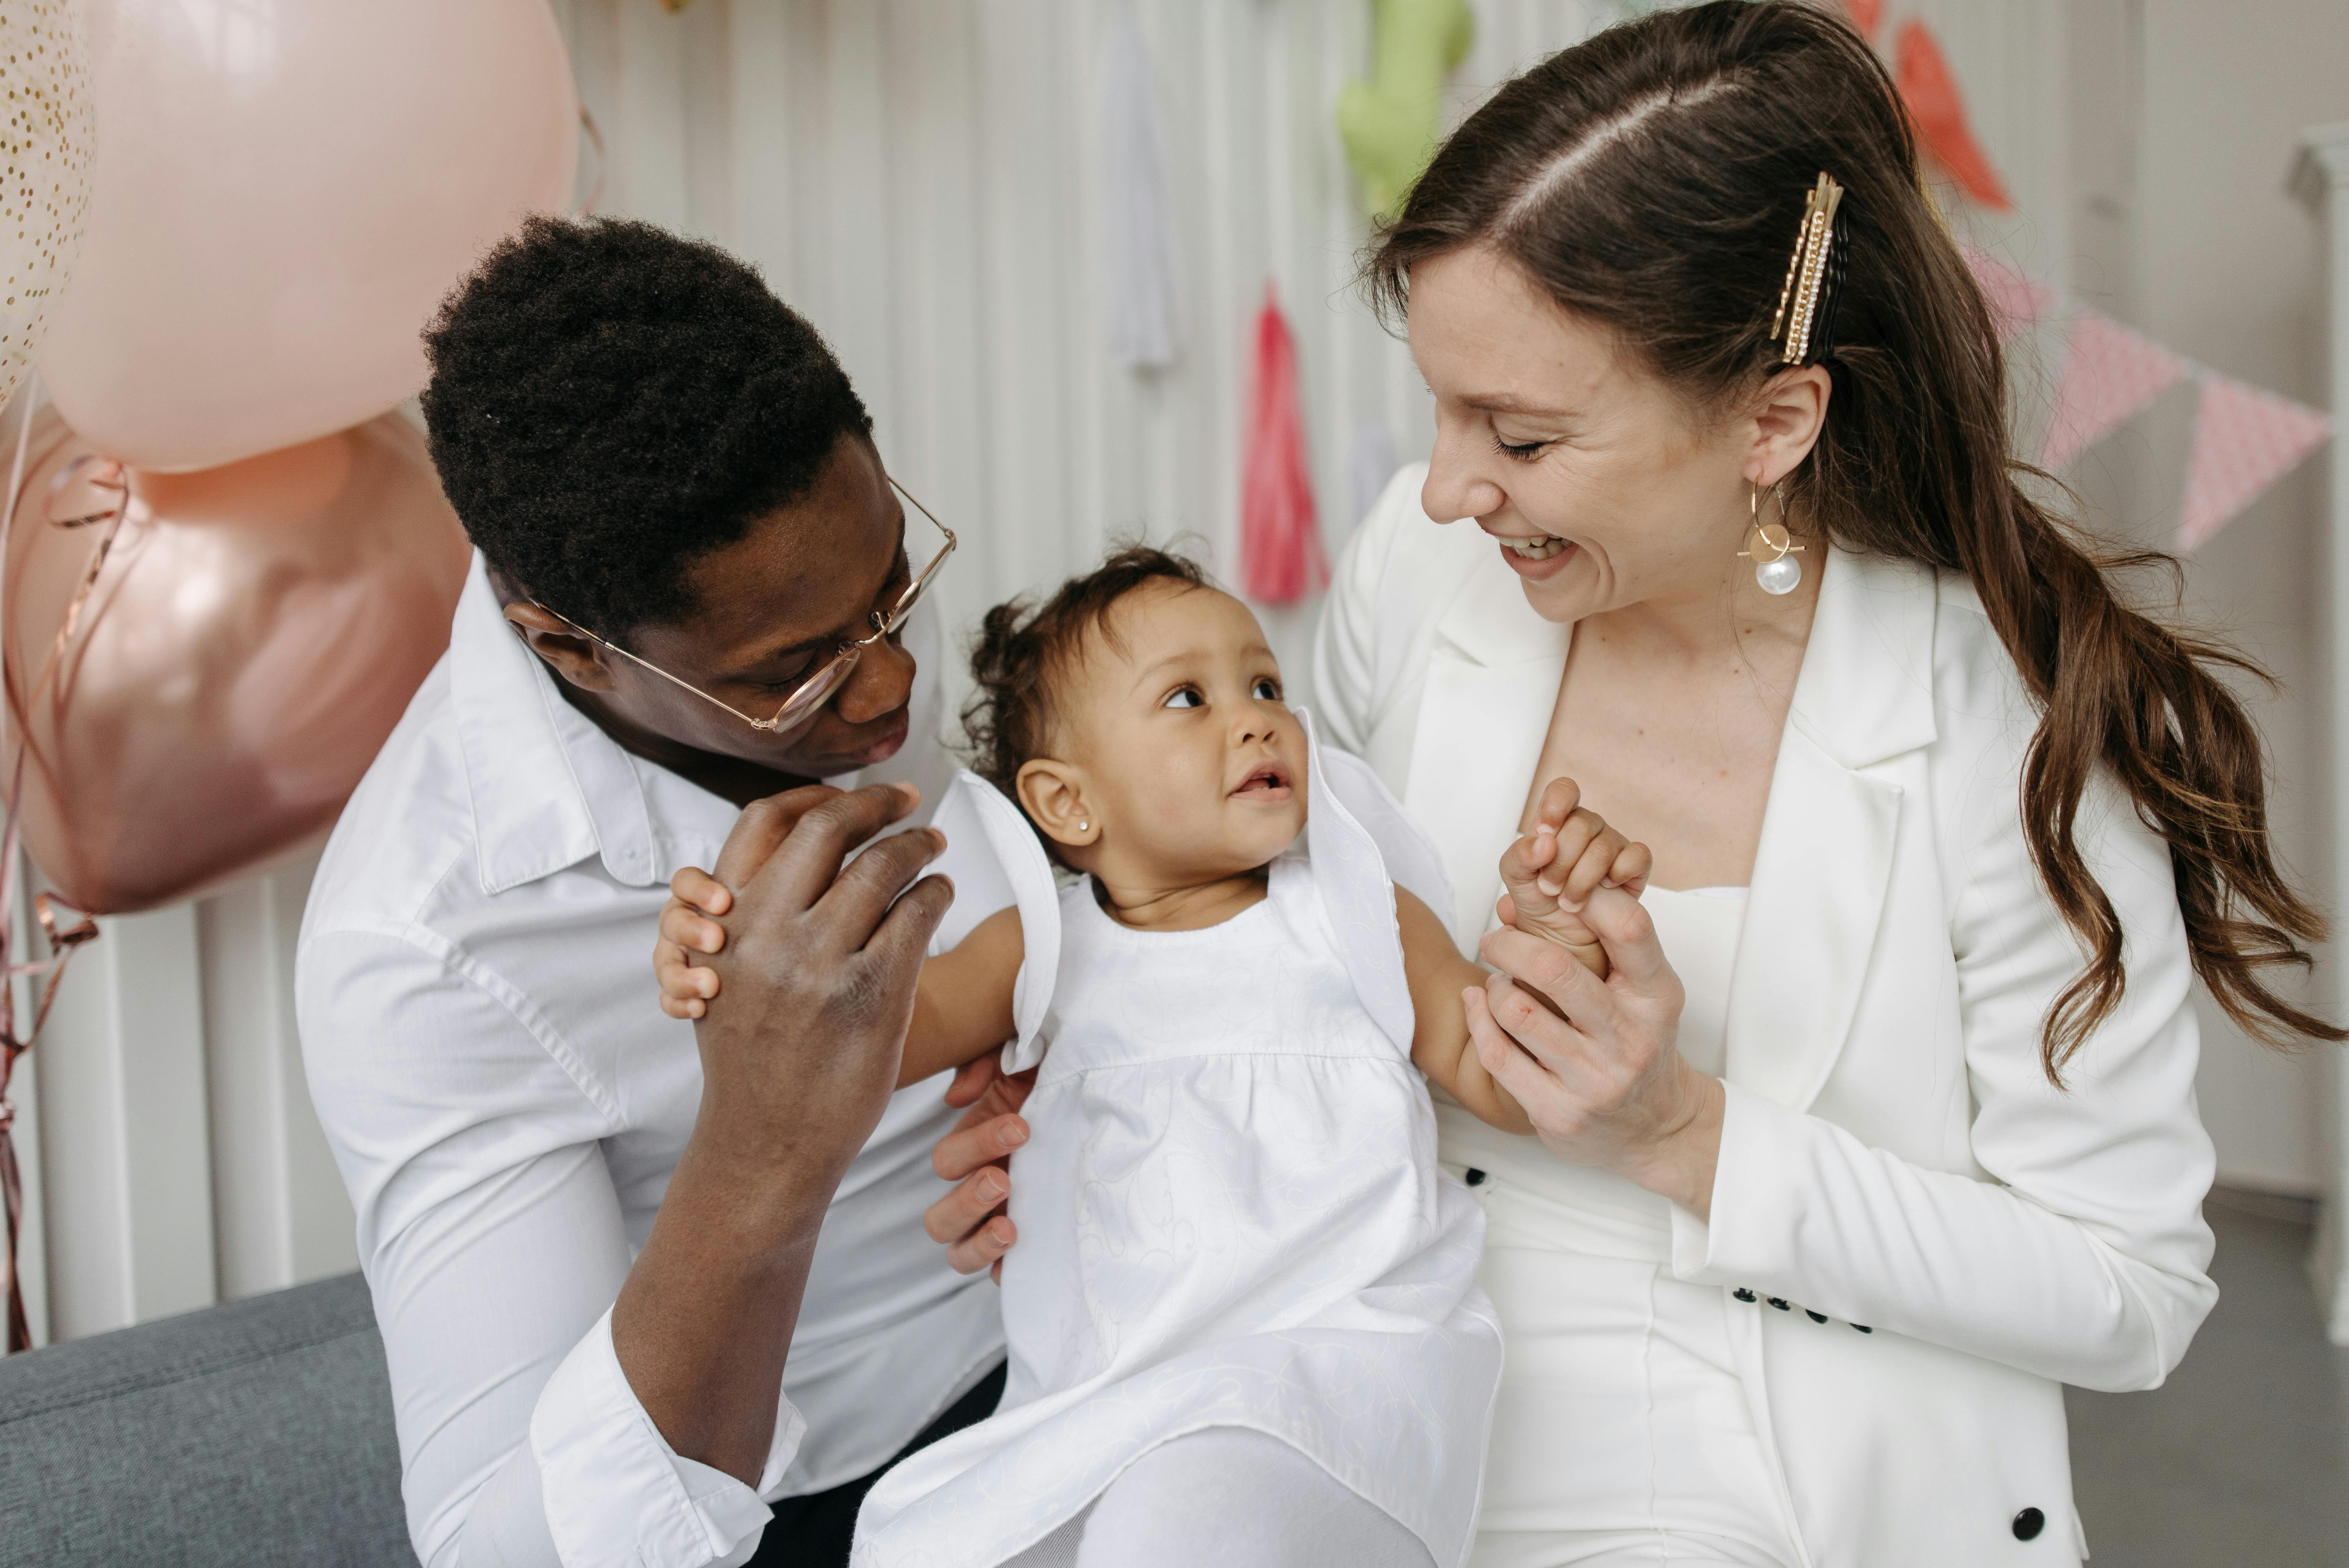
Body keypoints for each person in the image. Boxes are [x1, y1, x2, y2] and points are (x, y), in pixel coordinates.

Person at [924, 5, 2340, 1565]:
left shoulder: (2005, 735)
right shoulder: (1429, 565)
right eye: (1444, 407)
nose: (1451, 484)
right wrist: (1122, 1104)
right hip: (1361, 1392)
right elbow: (1288, 917)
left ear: (1770, 419)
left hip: (1781, 1483)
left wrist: (1680, 1132)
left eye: (1521, 434)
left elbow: (2129, 1289)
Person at [653, 547, 1650, 1568]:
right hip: (1101, 1400)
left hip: (1332, 1374)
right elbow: (859, 1040)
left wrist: (1564, 938)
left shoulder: (1353, 912)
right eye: (1188, 697)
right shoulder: (1040, 947)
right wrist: (744, 962)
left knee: (1178, 1523)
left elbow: (1500, 1077)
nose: (1256, 717)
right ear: (1069, 804)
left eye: (1266, 685)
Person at [296, 215, 1007, 1568]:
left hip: (1105, 1317)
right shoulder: (426, 946)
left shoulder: (807, 581)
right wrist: (762, 1145)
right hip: (842, 1490)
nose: (890, 688)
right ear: (567, 645)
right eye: (794, 671)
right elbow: (499, 1546)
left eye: (894, 595)